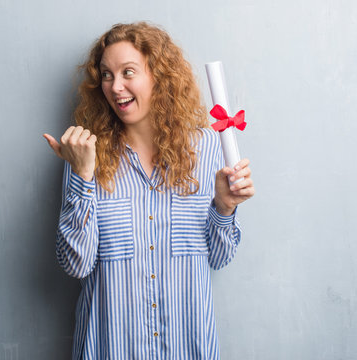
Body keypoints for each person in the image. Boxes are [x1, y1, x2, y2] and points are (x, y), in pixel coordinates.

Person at [43, 22, 255, 359]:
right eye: (107, 75)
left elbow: (219, 257)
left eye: (128, 72)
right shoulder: (86, 155)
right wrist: (83, 177)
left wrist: (225, 207)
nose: (115, 86)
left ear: (159, 74)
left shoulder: (209, 149)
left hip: (188, 348)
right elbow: (75, 265)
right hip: (111, 349)